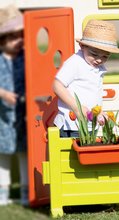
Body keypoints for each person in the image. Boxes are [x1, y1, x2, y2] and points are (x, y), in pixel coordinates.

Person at [53, 19, 119, 137]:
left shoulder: (96, 66)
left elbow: (91, 94)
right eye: (94, 54)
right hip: (71, 125)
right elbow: (57, 85)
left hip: (89, 125)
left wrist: (99, 113)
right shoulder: (75, 63)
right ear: (82, 46)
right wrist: (77, 108)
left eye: (105, 56)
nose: (99, 60)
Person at [0, 5, 28, 206]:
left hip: (23, 115)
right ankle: (3, 193)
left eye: (21, 35)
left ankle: (27, 191)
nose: (19, 41)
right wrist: (3, 93)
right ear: (2, 40)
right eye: (13, 37)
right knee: (3, 157)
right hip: (2, 117)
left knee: (25, 153)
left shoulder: (26, 58)